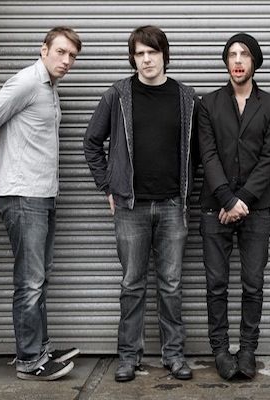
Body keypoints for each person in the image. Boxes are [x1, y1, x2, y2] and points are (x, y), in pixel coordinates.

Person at [0, 27, 82, 381]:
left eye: (72, 56)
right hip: (24, 197)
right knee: (30, 280)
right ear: (44, 50)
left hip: (43, 195)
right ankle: (29, 360)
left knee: (38, 278)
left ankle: (37, 347)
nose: (67, 61)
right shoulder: (25, 82)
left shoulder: (50, 89)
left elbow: (5, 132)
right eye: (61, 52)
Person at [83, 25, 198, 383]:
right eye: (139, 53)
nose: (146, 59)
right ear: (133, 58)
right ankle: (128, 357)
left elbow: (196, 153)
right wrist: (108, 186)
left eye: (152, 52)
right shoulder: (118, 94)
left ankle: (174, 355)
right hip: (130, 207)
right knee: (132, 284)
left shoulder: (185, 96)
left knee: (172, 285)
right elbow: (91, 143)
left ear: (164, 54)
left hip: (172, 206)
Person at [198, 33, 270, 380]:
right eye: (231, 55)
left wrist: (243, 200)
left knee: (253, 283)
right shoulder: (209, 103)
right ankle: (220, 350)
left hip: (256, 208)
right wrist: (228, 199)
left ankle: (247, 350)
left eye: (244, 54)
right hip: (214, 206)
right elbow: (208, 154)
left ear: (254, 61)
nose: (237, 61)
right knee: (216, 283)